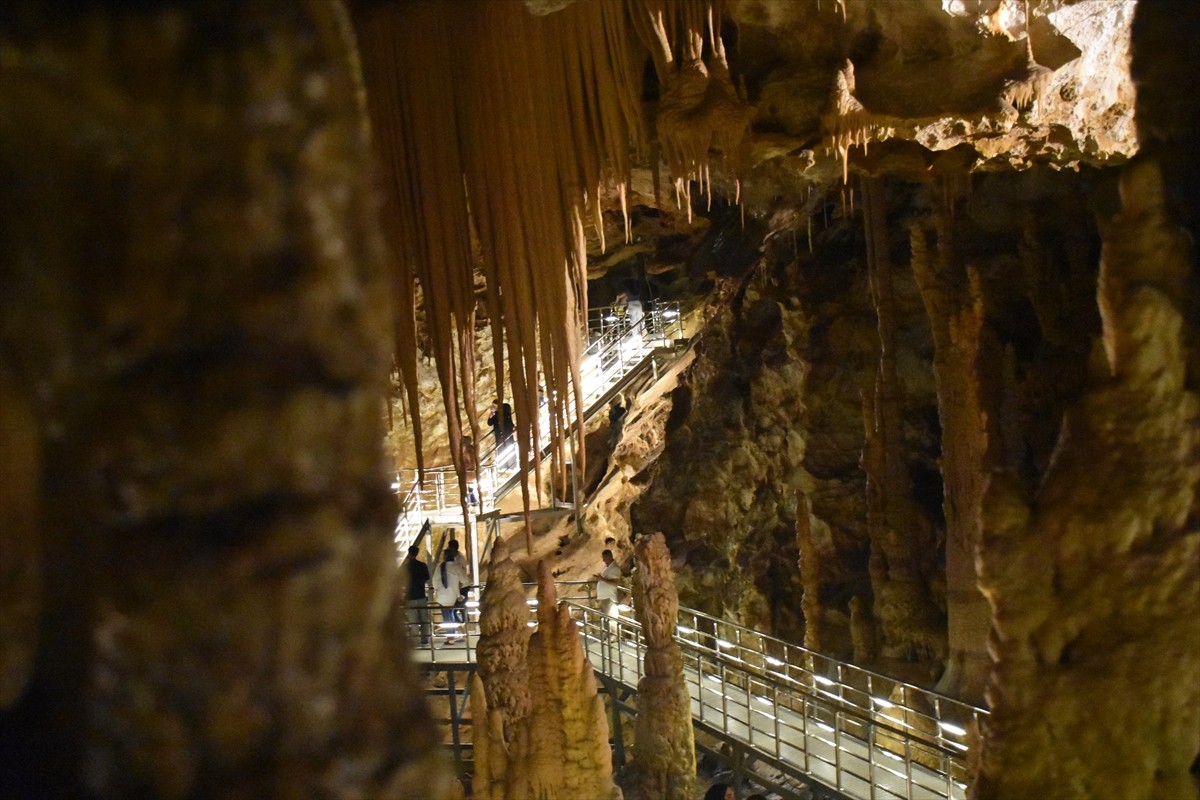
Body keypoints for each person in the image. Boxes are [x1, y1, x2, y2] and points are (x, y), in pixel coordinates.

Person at [434, 548, 469, 644]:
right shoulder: (456, 567)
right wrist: (461, 593)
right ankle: (454, 635)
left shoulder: (440, 568)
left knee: (447, 617)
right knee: (452, 615)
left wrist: (437, 589)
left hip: (442, 597)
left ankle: (451, 638)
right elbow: (465, 581)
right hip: (453, 596)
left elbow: (434, 583)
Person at [403, 545, 431, 646]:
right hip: (421, 595)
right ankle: (425, 639)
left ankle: (416, 640)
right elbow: (427, 578)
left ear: (409, 553)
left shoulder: (405, 567)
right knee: (424, 619)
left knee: (413, 621)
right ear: (417, 553)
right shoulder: (422, 565)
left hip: (410, 596)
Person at [593, 549, 622, 614]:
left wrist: (602, 579)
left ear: (609, 557)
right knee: (605, 618)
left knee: (609, 618)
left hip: (609, 598)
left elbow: (614, 583)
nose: (603, 560)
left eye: (604, 558)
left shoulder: (615, 568)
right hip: (604, 597)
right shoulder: (608, 568)